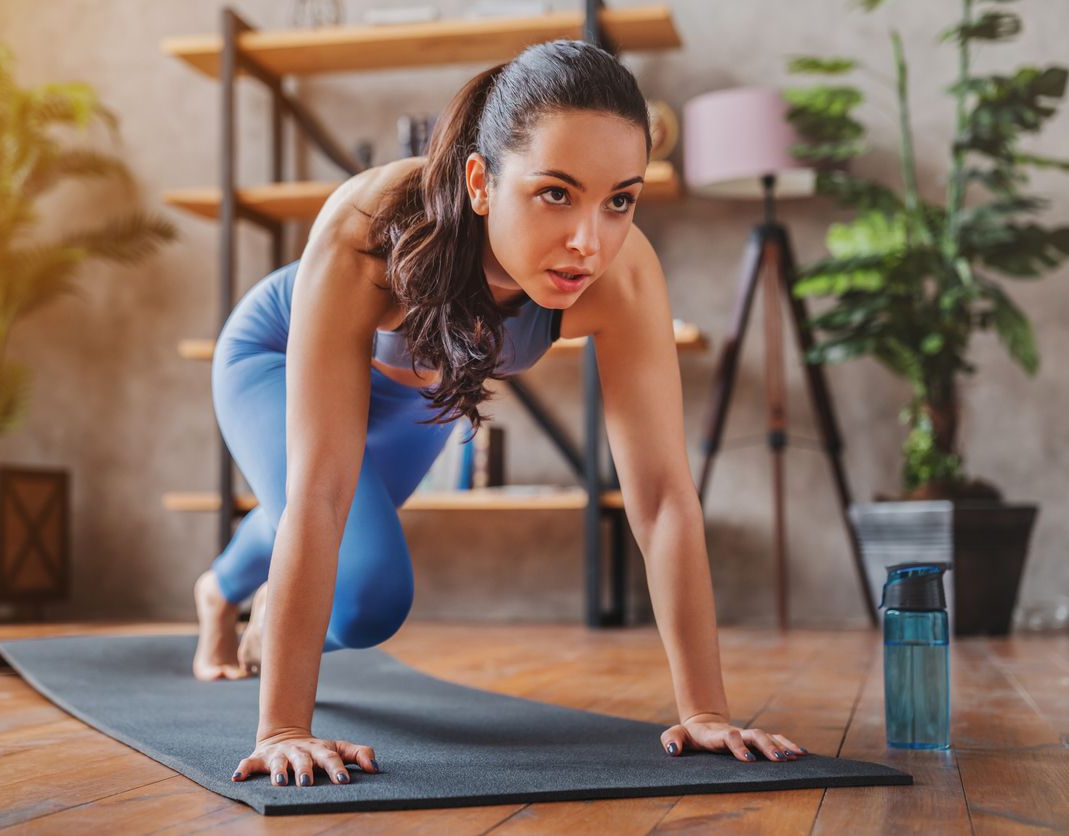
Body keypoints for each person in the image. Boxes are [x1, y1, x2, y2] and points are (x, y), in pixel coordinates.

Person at [192, 39, 807, 789]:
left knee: (355, 592)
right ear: (481, 182)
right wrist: (284, 728)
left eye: (619, 199)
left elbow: (662, 498)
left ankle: (228, 587)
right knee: (367, 595)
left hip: (423, 388)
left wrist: (705, 711)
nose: (589, 240)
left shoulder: (622, 274)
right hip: (274, 360)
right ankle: (225, 591)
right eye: (555, 192)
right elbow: (320, 493)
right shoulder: (369, 226)